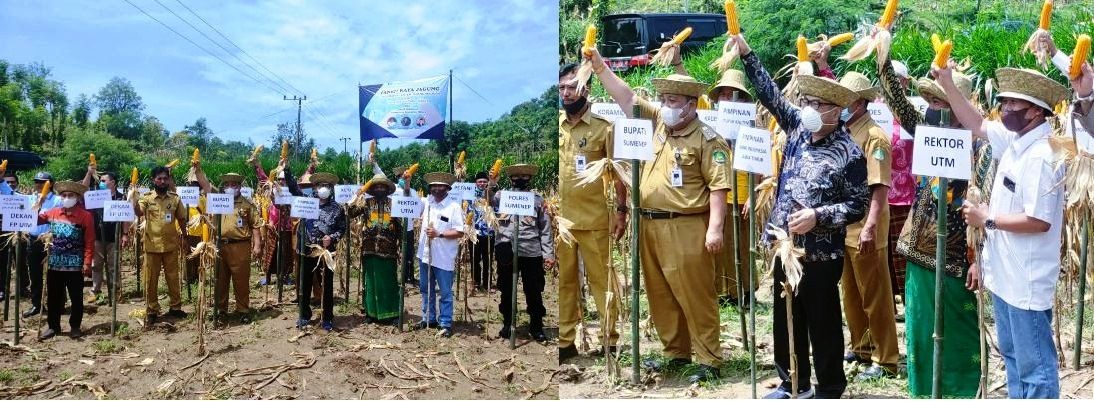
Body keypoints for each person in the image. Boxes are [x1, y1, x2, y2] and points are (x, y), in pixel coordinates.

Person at [730, 33, 869, 399]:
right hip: (785, 245)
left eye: (816, 103)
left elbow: (858, 205)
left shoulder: (850, 152)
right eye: (805, 100)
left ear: (834, 109)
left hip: (822, 252)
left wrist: (819, 215)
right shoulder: (796, 130)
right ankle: (793, 382)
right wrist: (747, 52)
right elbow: (769, 94)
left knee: (821, 320)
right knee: (785, 314)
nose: (806, 107)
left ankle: (829, 387)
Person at [586, 44, 733, 384]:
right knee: (660, 292)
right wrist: (600, 68)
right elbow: (626, 99)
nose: (666, 105)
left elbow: (719, 188)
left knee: (695, 294)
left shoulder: (709, 139)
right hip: (648, 222)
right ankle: (676, 352)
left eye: (673, 101)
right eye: (664, 99)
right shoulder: (657, 123)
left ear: (691, 105)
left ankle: (709, 359)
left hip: (686, 226)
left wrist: (715, 229)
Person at [946, 65, 1068, 398]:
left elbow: (1038, 221)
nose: (1006, 110)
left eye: (1014, 104)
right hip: (1005, 277)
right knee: (1014, 360)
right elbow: (975, 122)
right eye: (1005, 102)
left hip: (1026, 282)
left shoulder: (1042, 156)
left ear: (1035, 111)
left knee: (1035, 369)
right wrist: (946, 81)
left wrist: (988, 219)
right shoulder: (1015, 141)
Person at [877, 50, 992, 397]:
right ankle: (925, 392)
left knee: (959, 332)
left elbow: (989, 206)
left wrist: (979, 258)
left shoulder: (982, 147)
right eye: (927, 99)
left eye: (938, 101)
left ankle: (962, 391)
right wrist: (882, 51)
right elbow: (897, 100)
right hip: (919, 252)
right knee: (921, 328)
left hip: (960, 258)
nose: (930, 106)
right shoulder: (928, 133)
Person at [557, 62, 627, 362]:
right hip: (562, 223)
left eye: (571, 86)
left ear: (586, 88)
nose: (566, 92)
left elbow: (619, 171)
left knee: (602, 282)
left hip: (596, 219)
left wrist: (621, 211)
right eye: (561, 87)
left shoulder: (603, 126)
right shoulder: (556, 124)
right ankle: (564, 342)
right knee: (565, 283)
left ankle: (609, 340)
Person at [834, 71, 898, 381]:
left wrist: (872, 225)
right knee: (851, 292)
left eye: (845, 99)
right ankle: (860, 346)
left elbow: (880, 185)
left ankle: (885, 358)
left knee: (875, 295)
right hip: (844, 226)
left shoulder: (874, 136)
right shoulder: (843, 131)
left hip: (865, 226)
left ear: (859, 103)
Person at [708, 69, 761, 307]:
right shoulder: (711, 123)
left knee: (743, 246)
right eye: (725, 94)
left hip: (742, 192)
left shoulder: (751, 126)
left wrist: (754, 194)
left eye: (734, 94)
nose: (729, 99)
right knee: (721, 246)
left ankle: (747, 291)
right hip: (718, 193)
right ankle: (724, 291)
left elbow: (759, 163)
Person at [492, 164, 554, 343]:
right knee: (506, 289)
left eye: (524, 176)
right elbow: (487, 202)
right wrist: (491, 183)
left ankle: (536, 326)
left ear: (530, 179)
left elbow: (545, 228)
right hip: (506, 248)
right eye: (516, 176)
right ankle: (507, 323)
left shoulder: (537, 200)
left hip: (531, 250)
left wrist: (548, 253)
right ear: (510, 179)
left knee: (534, 290)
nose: (520, 179)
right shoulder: (500, 196)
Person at [285, 169, 345, 331]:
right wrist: (287, 169)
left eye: (326, 185)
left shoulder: (337, 208)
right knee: (304, 284)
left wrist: (332, 237)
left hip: (326, 253)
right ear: (315, 187)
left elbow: (342, 228)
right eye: (320, 185)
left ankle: (327, 317)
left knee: (327, 285)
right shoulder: (306, 201)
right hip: (306, 250)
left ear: (331, 188)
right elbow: (293, 188)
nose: (323, 188)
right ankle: (304, 315)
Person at [126, 166, 188, 325]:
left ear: (168, 180)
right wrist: (133, 198)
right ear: (154, 180)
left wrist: (185, 238)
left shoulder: (175, 199)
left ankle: (175, 307)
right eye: (159, 178)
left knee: (173, 278)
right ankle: (152, 310)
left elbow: (181, 219)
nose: (162, 181)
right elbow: (139, 213)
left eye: (165, 178)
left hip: (170, 246)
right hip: (152, 246)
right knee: (151, 279)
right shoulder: (146, 198)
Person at [196, 172, 261, 322]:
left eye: (234, 184)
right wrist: (198, 170)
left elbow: (256, 226)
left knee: (241, 280)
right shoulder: (218, 199)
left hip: (240, 246)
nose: (230, 187)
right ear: (224, 187)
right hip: (220, 245)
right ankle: (221, 310)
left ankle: (243, 309)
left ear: (239, 187)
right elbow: (205, 184)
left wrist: (257, 245)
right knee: (220, 279)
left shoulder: (247, 204)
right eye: (227, 185)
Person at [35, 181, 95, 340]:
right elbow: (33, 219)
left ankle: (75, 326)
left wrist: (87, 262)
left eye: (71, 195)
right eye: (64, 195)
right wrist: (38, 204)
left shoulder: (85, 216)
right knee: (53, 296)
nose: (67, 198)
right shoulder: (52, 213)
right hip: (54, 263)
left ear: (77, 197)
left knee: (76, 297)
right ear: (60, 197)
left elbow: (89, 241)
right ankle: (53, 326)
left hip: (75, 265)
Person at [347, 168, 402, 324]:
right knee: (370, 283)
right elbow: (350, 213)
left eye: (382, 186)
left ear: (386, 189)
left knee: (389, 283)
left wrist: (402, 248)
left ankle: (392, 314)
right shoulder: (365, 203)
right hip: (369, 249)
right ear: (373, 189)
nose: (379, 189)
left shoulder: (394, 204)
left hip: (388, 251)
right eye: (376, 186)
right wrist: (356, 196)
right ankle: (371, 314)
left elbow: (400, 227)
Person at [416, 172, 465, 338]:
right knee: (425, 288)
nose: (437, 189)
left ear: (447, 188)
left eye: (441, 186)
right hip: (425, 253)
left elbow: (459, 231)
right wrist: (407, 182)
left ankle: (445, 322)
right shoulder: (427, 202)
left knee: (445, 291)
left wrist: (439, 234)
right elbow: (407, 197)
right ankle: (428, 318)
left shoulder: (453, 207)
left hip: (443, 256)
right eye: (433, 186)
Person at [80, 166, 126, 305]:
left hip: (114, 237)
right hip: (97, 236)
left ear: (113, 183)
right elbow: (83, 188)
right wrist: (89, 172)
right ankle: (95, 291)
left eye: (104, 180)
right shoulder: (96, 195)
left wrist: (124, 234)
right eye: (100, 179)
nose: (101, 182)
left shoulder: (121, 197)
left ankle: (115, 291)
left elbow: (125, 217)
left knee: (113, 266)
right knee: (96, 265)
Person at [23, 172, 62, 318]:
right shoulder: (31, 198)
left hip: (51, 241)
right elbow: (11, 196)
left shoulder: (58, 200)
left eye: (42, 182)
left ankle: (58, 304)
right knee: (35, 274)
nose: (38, 184)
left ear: (50, 183)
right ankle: (37, 305)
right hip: (33, 240)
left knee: (55, 274)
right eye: (36, 182)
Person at [469, 171, 496, 293]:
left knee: (487, 260)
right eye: (479, 181)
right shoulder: (470, 194)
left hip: (489, 232)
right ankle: (475, 283)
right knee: (475, 259)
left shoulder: (491, 193)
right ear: (476, 182)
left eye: (484, 181)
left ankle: (487, 284)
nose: (482, 183)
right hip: (473, 232)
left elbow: (496, 206)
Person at [0, 170, 23, 301]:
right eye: (7, 182)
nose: (10, 184)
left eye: (12, 182)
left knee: (20, 261)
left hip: (18, 233)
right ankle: (2, 289)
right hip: (2, 233)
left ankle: (23, 287)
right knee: (3, 262)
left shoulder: (18, 197)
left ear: (17, 183)